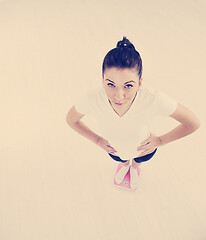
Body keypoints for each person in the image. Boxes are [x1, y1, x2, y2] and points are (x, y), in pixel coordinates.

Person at [66, 36, 201, 190]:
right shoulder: (92, 98)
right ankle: (124, 165)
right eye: (110, 84)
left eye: (128, 85)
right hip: (114, 149)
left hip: (143, 149)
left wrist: (161, 141)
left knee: (138, 160)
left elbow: (193, 123)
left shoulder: (153, 98)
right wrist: (98, 141)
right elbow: (71, 120)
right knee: (121, 159)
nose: (119, 95)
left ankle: (135, 168)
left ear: (140, 83)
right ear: (102, 79)